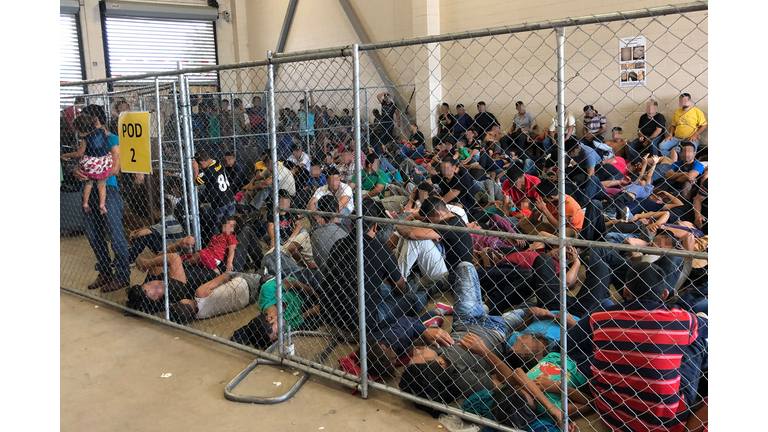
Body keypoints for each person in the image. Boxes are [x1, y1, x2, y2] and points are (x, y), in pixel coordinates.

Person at [567, 261, 707, 432]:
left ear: (625, 291)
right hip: (664, 424)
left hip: (611, 414)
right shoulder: (682, 318)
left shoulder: (599, 318)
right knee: (698, 342)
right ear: (664, 295)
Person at [318, 201, 427, 334]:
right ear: (375, 227)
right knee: (410, 298)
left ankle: (413, 288)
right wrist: (405, 290)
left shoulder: (338, 244)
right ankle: (425, 292)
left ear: (351, 225)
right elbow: (400, 289)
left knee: (382, 288)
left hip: (329, 319)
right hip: (361, 326)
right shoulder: (382, 251)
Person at [72, 104, 130, 293]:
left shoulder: (112, 139)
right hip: (89, 190)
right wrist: (77, 172)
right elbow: (82, 163)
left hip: (109, 190)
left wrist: (92, 175)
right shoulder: (87, 140)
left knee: (115, 234)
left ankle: (122, 275)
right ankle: (105, 271)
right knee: (94, 234)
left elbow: (115, 168)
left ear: (95, 120)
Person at [229, 269, 322, 348]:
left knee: (321, 283)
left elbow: (292, 283)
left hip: (300, 284)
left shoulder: (267, 292)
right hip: (305, 302)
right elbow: (304, 315)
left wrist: (316, 294)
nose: (282, 334)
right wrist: (324, 303)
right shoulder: (284, 326)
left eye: (278, 333)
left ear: (270, 318)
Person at [137, 217, 239, 273]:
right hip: (206, 255)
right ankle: (182, 262)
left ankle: (185, 265)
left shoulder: (230, 237)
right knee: (183, 256)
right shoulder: (216, 236)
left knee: (200, 254)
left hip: (214, 259)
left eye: (231, 226)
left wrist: (229, 262)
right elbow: (208, 247)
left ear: (234, 230)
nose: (227, 227)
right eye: (227, 224)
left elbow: (232, 249)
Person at [60, 113, 113, 215]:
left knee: (88, 183)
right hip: (102, 162)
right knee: (101, 184)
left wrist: (67, 155)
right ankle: (102, 205)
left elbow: (79, 153)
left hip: (90, 164)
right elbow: (108, 135)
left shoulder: (85, 139)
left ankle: (85, 203)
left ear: (79, 130)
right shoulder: (102, 131)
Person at [168, 271, 263, 323]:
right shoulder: (201, 293)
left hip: (246, 300)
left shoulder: (200, 316)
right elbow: (225, 276)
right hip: (244, 283)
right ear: (182, 302)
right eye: (178, 302)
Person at [519, 178, 584, 238]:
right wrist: (535, 210)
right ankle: (546, 240)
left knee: (567, 232)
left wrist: (544, 209)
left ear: (551, 198)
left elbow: (560, 227)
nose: (540, 198)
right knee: (524, 221)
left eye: (541, 196)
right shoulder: (547, 200)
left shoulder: (569, 204)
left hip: (570, 231)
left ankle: (547, 240)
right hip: (554, 229)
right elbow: (532, 221)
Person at [127, 198, 185, 264]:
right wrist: (136, 231)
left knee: (146, 236)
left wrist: (134, 235)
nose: (153, 212)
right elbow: (151, 227)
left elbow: (142, 233)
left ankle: (130, 258)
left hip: (170, 253)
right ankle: (130, 255)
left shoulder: (164, 224)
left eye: (154, 210)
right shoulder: (171, 219)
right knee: (150, 233)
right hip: (174, 250)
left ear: (160, 212)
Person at [193, 151, 236, 227]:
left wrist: (196, 168)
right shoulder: (218, 163)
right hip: (230, 198)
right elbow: (208, 159)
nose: (200, 168)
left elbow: (195, 182)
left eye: (200, 166)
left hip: (220, 202)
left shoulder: (207, 171)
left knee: (218, 226)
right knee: (230, 225)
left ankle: (217, 238)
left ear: (201, 163)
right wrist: (197, 154)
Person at [309, 195, 350, 271]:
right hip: (345, 272)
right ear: (338, 209)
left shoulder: (313, 232)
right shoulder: (346, 229)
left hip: (323, 274)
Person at [660, 93, 708, 157]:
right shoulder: (677, 112)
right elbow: (673, 125)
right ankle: (672, 161)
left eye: (685, 100)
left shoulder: (696, 111)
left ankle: (685, 164)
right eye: (681, 101)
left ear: (690, 101)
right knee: (662, 146)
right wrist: (670, 135)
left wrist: (695, 135)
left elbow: (704, 125)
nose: (683, 102)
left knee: (690, 150)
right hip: (677, 138)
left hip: (691, 138)